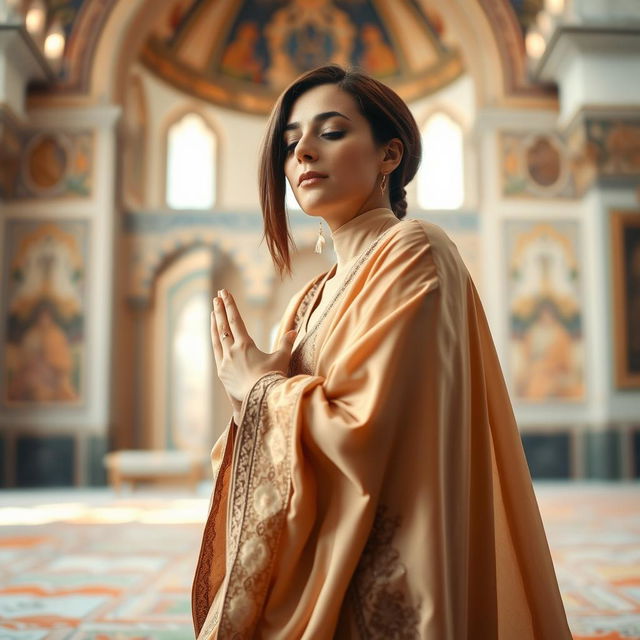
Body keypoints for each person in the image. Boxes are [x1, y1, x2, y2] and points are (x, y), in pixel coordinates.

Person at [191, 64, 572, 639]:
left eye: (331, 132)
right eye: (290, 142)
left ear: (389, 155)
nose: (303, 154)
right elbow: (270, 453)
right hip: (326, 551)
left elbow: (371, 426)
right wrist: (250, 404)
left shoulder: (414, 249)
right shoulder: (309, 298)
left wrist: (263, 390)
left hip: (393, 551)